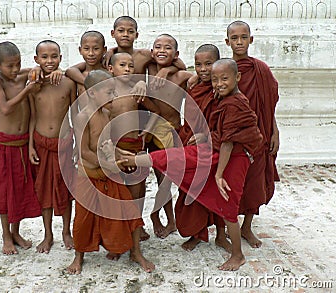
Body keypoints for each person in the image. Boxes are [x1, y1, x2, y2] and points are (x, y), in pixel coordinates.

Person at [104, 58, 263, 270]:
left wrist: (218, 173)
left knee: (229, 206)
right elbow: (221, 132)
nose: (218, 83)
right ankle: (134, 159)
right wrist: (206, 137)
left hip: (233, 158)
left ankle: (237, 255)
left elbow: (228, 141)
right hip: (218, 151)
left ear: (238, 78)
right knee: (178, 157)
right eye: (215, 80)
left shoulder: (236, 102)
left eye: (224, 79)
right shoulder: (219, 95)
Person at [67, 69, 155, 274]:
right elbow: (84, 152)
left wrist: (121, 155)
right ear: (92, 93)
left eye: (114, 92)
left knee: (129, 212)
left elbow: (108, 144)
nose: (114, 97)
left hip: (109, 174)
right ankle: (78, 257)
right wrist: (106, 164)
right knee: (82, 219)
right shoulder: (82, 117)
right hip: (89, 175)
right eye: (109, 92)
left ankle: (136, 252)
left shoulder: (106, 114)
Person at [225, 20, 280, 248]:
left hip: (260, 135)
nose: (239, 42)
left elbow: (269, 105)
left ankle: (246, 226)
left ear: (251, 39)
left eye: (243, 37)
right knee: (232, 182)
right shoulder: (224, 69)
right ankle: (228, 225)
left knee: (255, 181)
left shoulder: (261, 70)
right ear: (227, 41)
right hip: (233, 136)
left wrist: (274, 131)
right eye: (235, 38)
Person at [0, 41, 42, 255]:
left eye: (18, 64)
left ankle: (16, 231)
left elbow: (38, 69)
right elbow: (6, 108)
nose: (15, 70)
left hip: (23, 142)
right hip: (5, 143)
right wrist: (28, 89)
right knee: (5, 190)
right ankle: (6, 236)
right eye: (9, 66)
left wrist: (35, 70)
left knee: (21, 188)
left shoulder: (23, 75)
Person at [175, 44, 231, 252]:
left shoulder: (222, 90)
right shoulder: (194, 86)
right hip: (189, 144)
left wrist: (206, 136)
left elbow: (226, 123)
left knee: (216, 191)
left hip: (213, 147)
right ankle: (198, 233)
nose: (203, 69)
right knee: (190, 191)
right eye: (198, 65)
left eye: (208, 64)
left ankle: (220, 232)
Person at [28, 40, 77, 253]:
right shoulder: (32, 84)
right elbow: (31, 117)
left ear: (60, 58)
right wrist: (30, 145)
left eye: (54, 56)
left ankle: (67, 231)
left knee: (65, 190)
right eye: (45, 57)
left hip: (64, 143)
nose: (50, 61)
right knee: (44, 191)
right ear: (36, 60)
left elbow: (75, 114)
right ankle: (48, 234)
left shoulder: (68, 83)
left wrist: (77, 144)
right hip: (40, 144)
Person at [108, 52, 161, 241]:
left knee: (137, 190)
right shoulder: (107, 93)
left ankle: (137, 227)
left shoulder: (136, 90)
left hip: (135, 147)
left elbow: (156, 111)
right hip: (115, 148)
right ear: (111, 69)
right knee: (116, 191)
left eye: (131, 66)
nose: (128, 70)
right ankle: (119, 232)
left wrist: (147, 130)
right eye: (122, 65)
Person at [146, 34, 193, 239]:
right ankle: (166, 219)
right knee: (161, 179)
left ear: (176, 54)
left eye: (168, 48)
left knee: (174, 180)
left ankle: (164, 217)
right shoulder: (147, 71)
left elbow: (192, 73)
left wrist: (168, 69)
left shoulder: (181, 77)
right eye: (157, 47)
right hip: (151, 133)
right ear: (151, 51)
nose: (162, 50)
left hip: (174, 133)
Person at [65, 31, 107, 108]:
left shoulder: (108, 74)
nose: (91, 53)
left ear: (104, 50)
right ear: (80, 50)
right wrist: (88, 83)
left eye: (96, 49)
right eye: (86, 49)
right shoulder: (78, 76)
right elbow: (69, 71)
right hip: (84, 119)